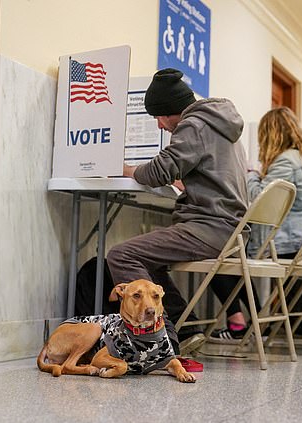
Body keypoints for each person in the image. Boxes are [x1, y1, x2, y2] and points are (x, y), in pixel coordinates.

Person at [108, 68, 248, 355]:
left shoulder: (193, 125)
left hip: (211, 227)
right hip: (229, 227)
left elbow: (160, 169)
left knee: (122, 254)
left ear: (173, 111)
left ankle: (164, 339)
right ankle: (187, 329)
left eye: (159, 116)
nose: (159, 125)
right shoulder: (222, 125)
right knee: (150, 260)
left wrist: (127, 170)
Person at [209, 107, 302, 342]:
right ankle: (254, 319)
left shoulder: (285, 161)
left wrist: (250, 172)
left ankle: (239, 323)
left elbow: (259, 199)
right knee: (232, 255)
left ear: (270, 134)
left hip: (286, 244)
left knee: (217, 255)